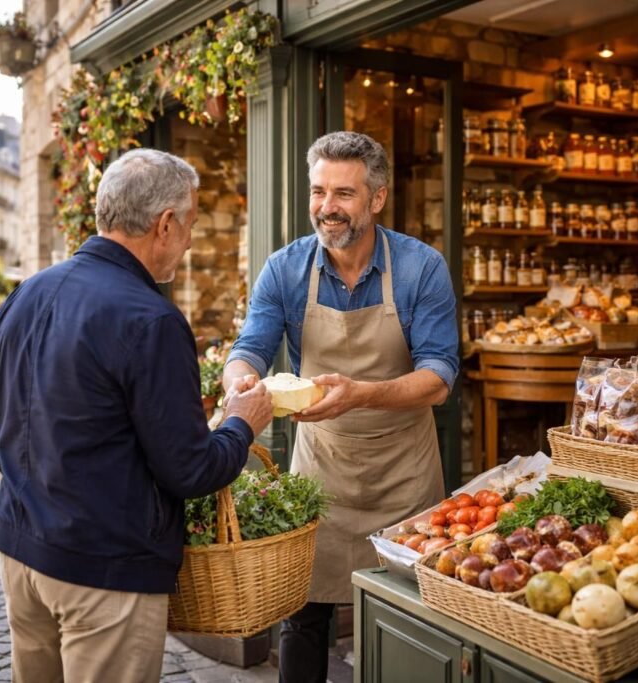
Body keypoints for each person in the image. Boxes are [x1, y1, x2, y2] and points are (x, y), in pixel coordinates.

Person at [0, 148, 274, 683]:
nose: (187, 243)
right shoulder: (151, 319)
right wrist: (242, 422)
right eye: (190, 227)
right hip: (104, 574)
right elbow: (190, 470)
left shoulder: (26, 292)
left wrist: (42, 489)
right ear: (164, 224)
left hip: (20, 556)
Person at [223, 131, 460, 683]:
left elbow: (439, 377)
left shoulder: (421, 267)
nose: (327, 208)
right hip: (321, 468)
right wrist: (240, 383)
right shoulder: (284, 269)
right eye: (318, 191)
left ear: (377, 199)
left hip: (405, 470)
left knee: (415, 614)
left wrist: (362, 393)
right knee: (303, 616)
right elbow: (250, 348)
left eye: (344, 194)